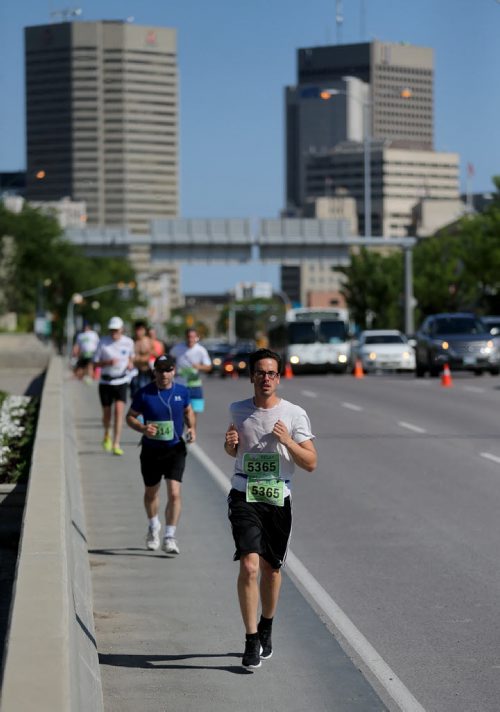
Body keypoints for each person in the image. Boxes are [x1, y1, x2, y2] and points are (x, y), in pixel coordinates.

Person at [224, 348, 317, 669]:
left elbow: (311, 463)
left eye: (272, 373)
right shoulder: (237, 410)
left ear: (279, 377)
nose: (266, 378)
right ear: (251, 376)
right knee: (249, 565)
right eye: (261, 373)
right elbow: (233, 450)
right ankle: (250, 638)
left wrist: (288, 442)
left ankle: (266, 624)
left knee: (271, 569)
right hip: (243, 492)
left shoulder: (294, 414)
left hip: (278, 496)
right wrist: (230, 446)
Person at [126, 354, 196, 555]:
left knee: (174, 493)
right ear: (154, 372)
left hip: (175, 449)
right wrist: (142, 428)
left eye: (168, 370)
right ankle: (153, 526)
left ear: (174, 371)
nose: (164, 374)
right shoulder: (144, 393)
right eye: (160, 370)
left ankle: (169, 536)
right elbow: (130, 417)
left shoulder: (182, 391)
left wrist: (192, 428)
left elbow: (188, 411)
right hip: (151, 451)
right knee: (151, 493)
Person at [93, 316, 134, 456]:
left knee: (118, 411)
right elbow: (95, 363)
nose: (114, 332)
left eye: (116, 330)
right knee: (106, 415)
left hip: (121, 381)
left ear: (122, 329)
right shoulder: (103, 343)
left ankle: (116, 443)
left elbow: (131, 358)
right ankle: (106, 433)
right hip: (105, 382)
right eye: (112, 330)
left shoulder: (128, 342)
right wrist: (107, 363)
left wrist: (130, 364)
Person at [169, 328, 212, 413]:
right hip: (180, 384)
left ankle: (192, 427)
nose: (190, 339)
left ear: (197, 337)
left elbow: (209, 367)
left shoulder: (201, 350)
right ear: (185, 337)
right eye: (188, 337)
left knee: (194, 412)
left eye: (193, 337)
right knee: (179, 410)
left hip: (195, 385)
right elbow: (169, 359)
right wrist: (173, 368)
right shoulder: (177, 348)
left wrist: (199, 366)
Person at [130, 320, 154, 398]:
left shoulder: (148, 341)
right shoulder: (131, 341)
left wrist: (137, 359)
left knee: (145, 395)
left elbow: (149, 357)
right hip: (133, 372)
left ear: (144, 330)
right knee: (134, 395)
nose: (138, 332)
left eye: (141, 330)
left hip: (145, 371)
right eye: (137, 329)